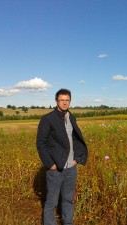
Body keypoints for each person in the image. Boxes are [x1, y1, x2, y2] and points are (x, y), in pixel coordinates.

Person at [36, 88, 88, 225]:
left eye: (67, 100)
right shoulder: (48, 119)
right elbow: (41, 143)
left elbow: (76, 139)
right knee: (51, 202)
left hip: (71, 167)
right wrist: (50, 164)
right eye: (62, 100)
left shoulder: (71, 117)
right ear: (56, 101)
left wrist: (77, 159)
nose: (65, 103)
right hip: (56, 169)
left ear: (70, 101)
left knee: (68, 200)